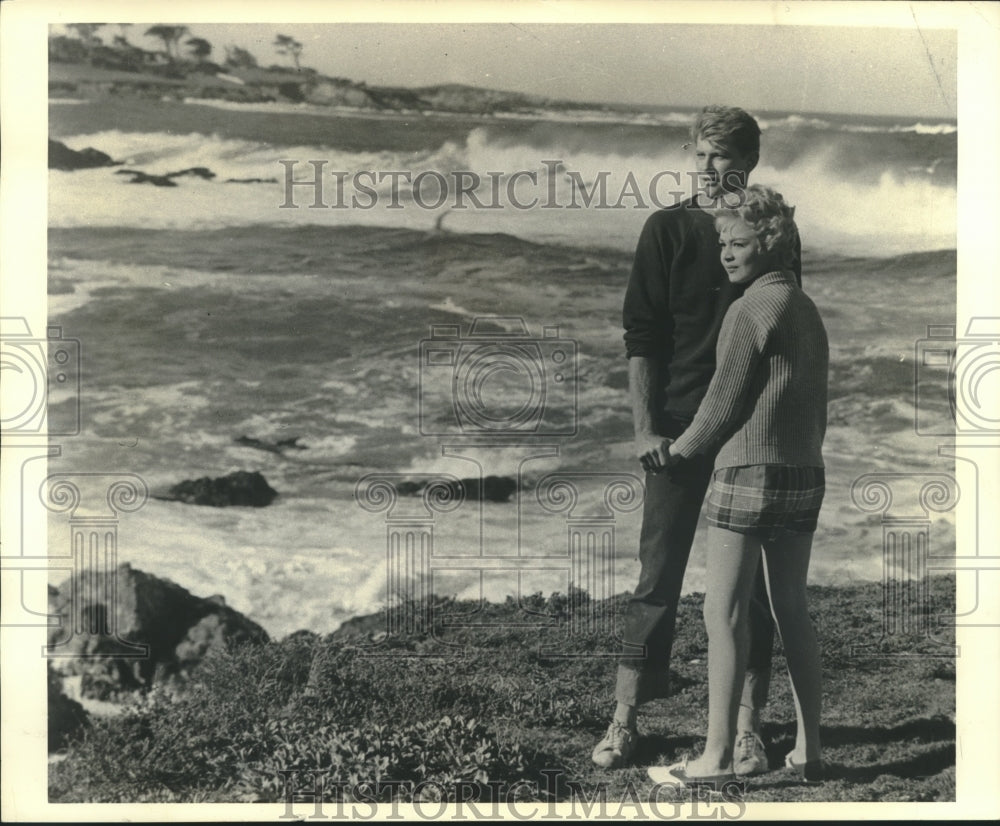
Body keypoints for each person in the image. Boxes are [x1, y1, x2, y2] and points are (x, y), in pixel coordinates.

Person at [592, 105, 801, 773]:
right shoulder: (667, 229)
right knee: (658, 576)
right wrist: (645, 425)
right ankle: (625, 716)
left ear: (750, 162)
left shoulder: (773, 233)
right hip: (679, 430)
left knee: (756, 588)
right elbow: (643, 337)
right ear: (689, 155)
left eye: (726, 157)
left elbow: (787, 329)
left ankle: (747, 725)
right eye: (702, 155)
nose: (712, 169)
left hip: (751, 431)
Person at [646, 184, 828, 787]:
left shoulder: (747, 309)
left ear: (770, 243)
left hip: (747, 474)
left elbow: (722, 407)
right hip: (805, 475)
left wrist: (677, 454)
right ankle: (810, 749)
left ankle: (716, 757)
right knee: (791, 608)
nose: (726, 253)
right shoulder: (805, 308)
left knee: (720, 613)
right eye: (722, 242)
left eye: (740, 242)